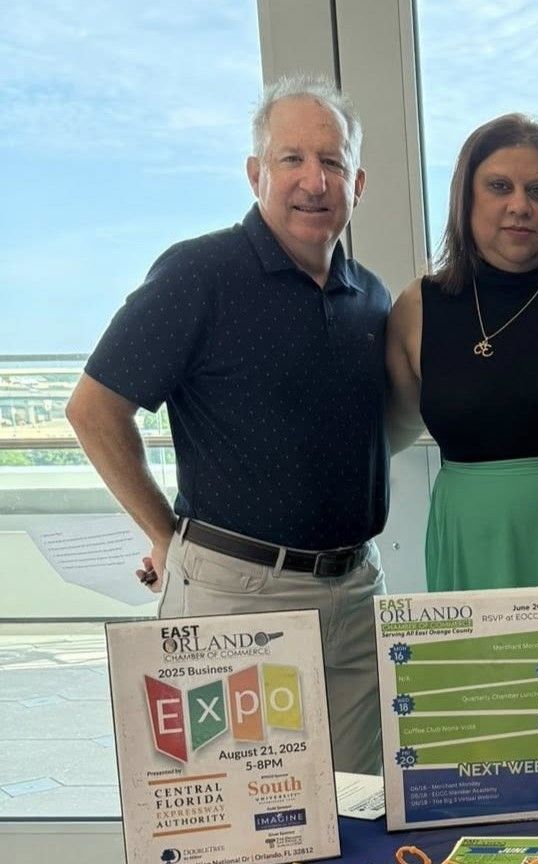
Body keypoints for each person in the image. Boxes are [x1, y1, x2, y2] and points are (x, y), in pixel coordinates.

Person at [65, 74, 390, 773]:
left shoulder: (371, 298)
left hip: (356, 592)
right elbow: (94, 410)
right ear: (255, 174)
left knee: (360, 810)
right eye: (291, 159)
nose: (314, 180)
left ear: (357, 183)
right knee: (241, 826)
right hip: (235, 599)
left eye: (332, 162)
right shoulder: (199, 274)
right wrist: (164, 534)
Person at [384, 114, 538, 771]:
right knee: (485, 748)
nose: (519, 206)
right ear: (466, 198)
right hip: (468, 539)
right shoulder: (417, 307)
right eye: (499, 186)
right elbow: (392, 428)